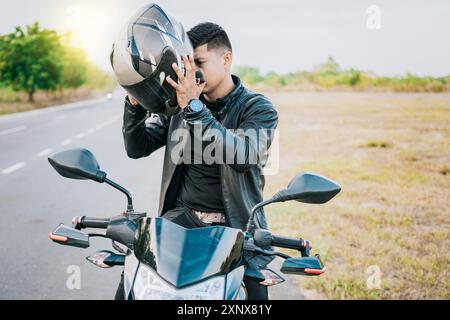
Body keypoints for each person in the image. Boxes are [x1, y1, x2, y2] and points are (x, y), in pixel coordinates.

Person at [120, 22, 279, 300]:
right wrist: (134, 104)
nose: (192, 71)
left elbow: (243, 156)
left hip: (237, 228)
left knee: (255, 294)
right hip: (180, 221)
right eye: (188, 63)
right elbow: (138, 147)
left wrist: (194, 108)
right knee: (133, 282)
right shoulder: (178, 105)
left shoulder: (258, 108)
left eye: (200, 62)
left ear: (226, 59)